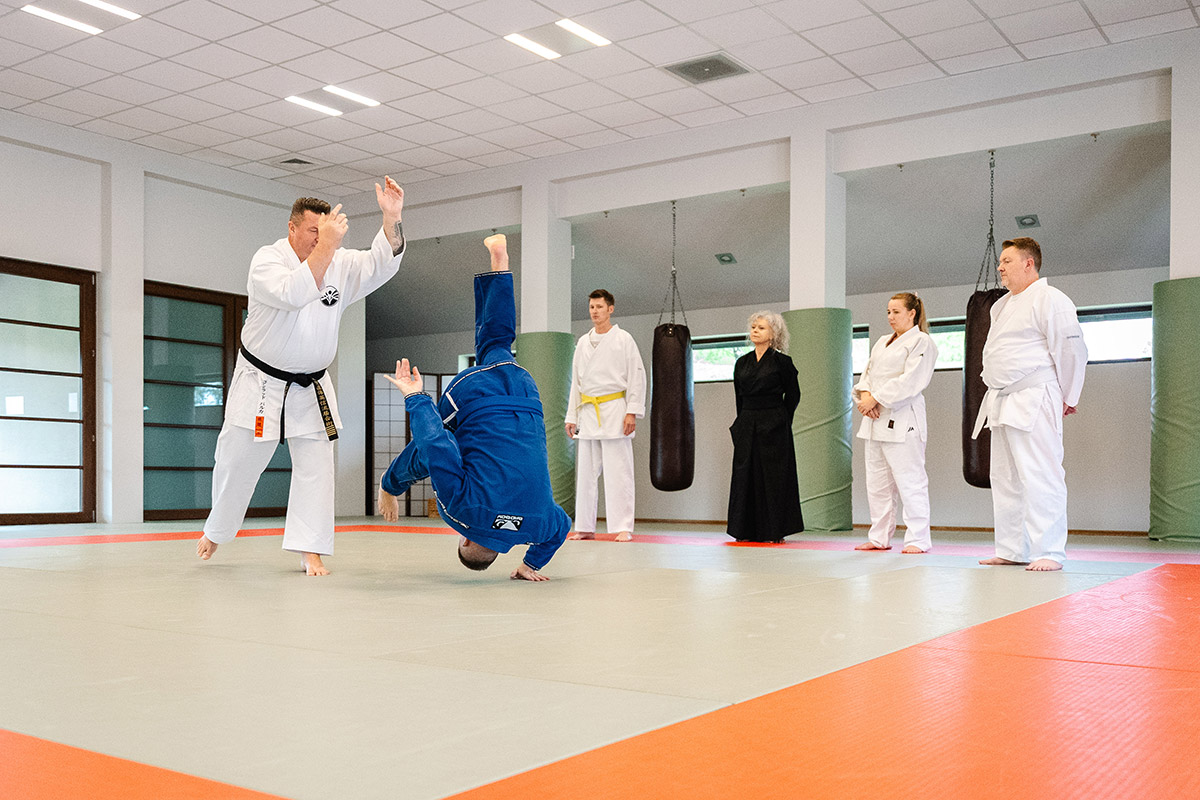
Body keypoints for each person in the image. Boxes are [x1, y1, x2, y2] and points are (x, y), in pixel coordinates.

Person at [196, 177, 406, 576]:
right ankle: (216, 530)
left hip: (311, 386)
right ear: (292, 228)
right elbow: (293, 293)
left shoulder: (339, 263)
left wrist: (391, 217)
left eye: (326, 232)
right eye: (314, 230)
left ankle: (310, 549)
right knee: (237, 463)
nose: (321, 239)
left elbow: (381, 263)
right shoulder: (267, 262)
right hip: (261, 383)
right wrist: (328, 245)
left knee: (317, 465)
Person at [376, 235, 571, 582]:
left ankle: (500, 265)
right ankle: (391, 481)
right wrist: (415, 397)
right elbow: (435, 446)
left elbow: (563, 527)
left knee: (496, 346)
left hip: (526, 393)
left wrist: (531, 565)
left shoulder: (540, 524)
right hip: (476, 397)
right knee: (434, 445)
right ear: (466, 539)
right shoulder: (463, 513)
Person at [973, 237, 1087, 571]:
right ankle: (1012, 549)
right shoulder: (1000, 305)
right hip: (1002, 399)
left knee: (1041, 474)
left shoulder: (1051, 299)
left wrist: (1069, 395)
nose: (1000, 267)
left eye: (1006, 261)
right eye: (999, 262)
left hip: (1035, 394)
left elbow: (1072, 350)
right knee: (1005, 478)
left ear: (1028, 263)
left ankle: (1049, 551)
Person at [853, 293, 939, 554]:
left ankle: (918, 539)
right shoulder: (882, 342)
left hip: (903, 419)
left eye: (896, 312)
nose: (890, 317)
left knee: (911, 482)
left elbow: (911, 381)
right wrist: (866, 396)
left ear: (912, 313)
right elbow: (867, 375)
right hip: (874, 419)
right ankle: (879, 537)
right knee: (877, 484)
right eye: (888, 312)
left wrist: (876, 398)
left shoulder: (922, 342)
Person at [564, 289, 646, 542]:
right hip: (588, 412)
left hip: (614, 410)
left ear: (610, 309)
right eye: (591, 307)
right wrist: (571, 416)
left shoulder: (623, 339)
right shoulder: (583, 342)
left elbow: (637, 376)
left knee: (619, 471)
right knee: (586, 474)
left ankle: (623, 526)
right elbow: (576, 382)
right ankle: (585, 526)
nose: (595, 311)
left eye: (599, 307)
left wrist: (632, 411)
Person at [726, 311, 804, 543]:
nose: (755, 331)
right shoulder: (742, 362)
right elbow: (739, 397)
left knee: (773, 477)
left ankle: (774, 530)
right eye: (753, 327)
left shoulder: (783, 362)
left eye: (761, 328)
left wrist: (782, 421)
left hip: (774, 422)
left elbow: (793, 395)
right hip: (748, 421)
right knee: (745, 475)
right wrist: (741, 424)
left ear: (773, 333)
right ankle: (743, 530)